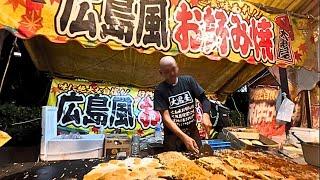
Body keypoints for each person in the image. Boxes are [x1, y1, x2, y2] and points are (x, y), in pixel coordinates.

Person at [154, 56, 212, 153]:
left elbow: (204, 99)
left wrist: (206, 114)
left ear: (177, 67)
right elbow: (166, 118)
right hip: (173, 137)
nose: (172, 73)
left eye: (173, 69)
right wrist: (183, 137)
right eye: (167, 71)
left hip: (192, 132)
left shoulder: (189, 81)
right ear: (161, 73)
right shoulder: (160, 90)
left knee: (199, 162)